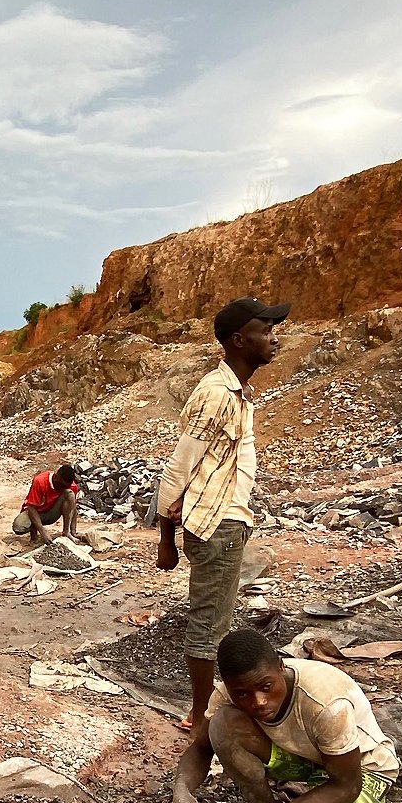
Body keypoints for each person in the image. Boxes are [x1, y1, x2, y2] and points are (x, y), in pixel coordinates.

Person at [170, 628, 399, 803]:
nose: (259, 701)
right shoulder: (226, 695)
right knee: (221, 724)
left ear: (281, 666)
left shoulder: (326, 704)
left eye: (266, 687)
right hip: (305, 759)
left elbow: (347, 786)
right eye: (242, 694)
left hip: (360, 769)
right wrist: (181, 791)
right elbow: (201, 748)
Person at [155, 296, 286, 727]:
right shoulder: (216, 394)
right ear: (237, 340)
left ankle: (207, 707)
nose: (273, 338)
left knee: (217, 620)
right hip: (216, 524)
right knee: (210, 625)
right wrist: (165, 538)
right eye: (263, 331)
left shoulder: (238, 393)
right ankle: (198, 714)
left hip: (225, 521)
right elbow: (180, 464)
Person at [11, 464, 82, 543]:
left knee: (70, 494)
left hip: (52, 513)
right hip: (34, 512)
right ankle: (34, 531)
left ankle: (66, 532)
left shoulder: (71, 486)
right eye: (60, 485)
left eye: (64, 487)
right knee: (18, 527)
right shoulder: (40, 481)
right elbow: (31, 507)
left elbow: (72, 507)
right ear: (55, 477)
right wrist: (42, 532)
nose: (61, 489)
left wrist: (73, 531)